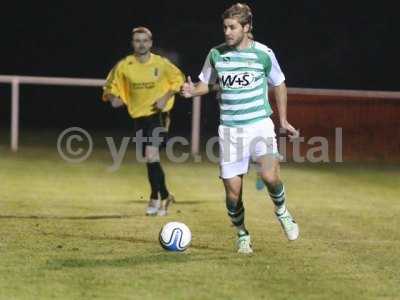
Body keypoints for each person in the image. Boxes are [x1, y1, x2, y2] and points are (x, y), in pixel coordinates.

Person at [181, 3, 299, 253]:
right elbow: (205, 83)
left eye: (232, 27)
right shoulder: (216, 54)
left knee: (269, 176)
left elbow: (279, 84)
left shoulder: (264, 54)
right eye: (224, 27)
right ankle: (242, 234)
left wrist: (283, 120)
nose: (227, 32)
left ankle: (282, 211)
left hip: (259, 126)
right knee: (233, 196)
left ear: (246, 28)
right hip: (230, 132)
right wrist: (193, 91)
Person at [103, 26, 185, 216]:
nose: (141, 44)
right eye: (137, 40)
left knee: (150, 154)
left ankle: (157, 198)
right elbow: (110, 86)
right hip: (138, 117)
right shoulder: (124, 65)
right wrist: (113, 98)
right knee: (150, 159)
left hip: (158, 115)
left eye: (145, 40)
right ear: (133, 43)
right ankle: (161, 195)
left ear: (150, 43)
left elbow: (179, 79)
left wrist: (166, 96)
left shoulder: (161, 64)